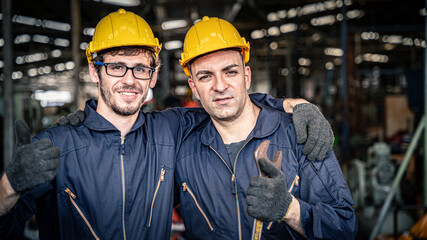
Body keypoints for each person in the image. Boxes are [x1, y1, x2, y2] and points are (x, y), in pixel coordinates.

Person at [0, 9, 333, 239]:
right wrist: (9, 186)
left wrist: (294, 105)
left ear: (153, 76)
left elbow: (226, 99)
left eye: (140, 68)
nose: (129, 79)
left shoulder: (171, 129)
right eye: (116, 67)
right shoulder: (55, 146)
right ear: (94, 70)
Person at [174, 16, 357, 239]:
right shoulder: (181, 147)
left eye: (230, 72)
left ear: (247, 77)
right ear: (193, 87)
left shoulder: (297, 134)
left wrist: (289, 209)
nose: (220, 86)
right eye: (205, 76)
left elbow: (343, 228)